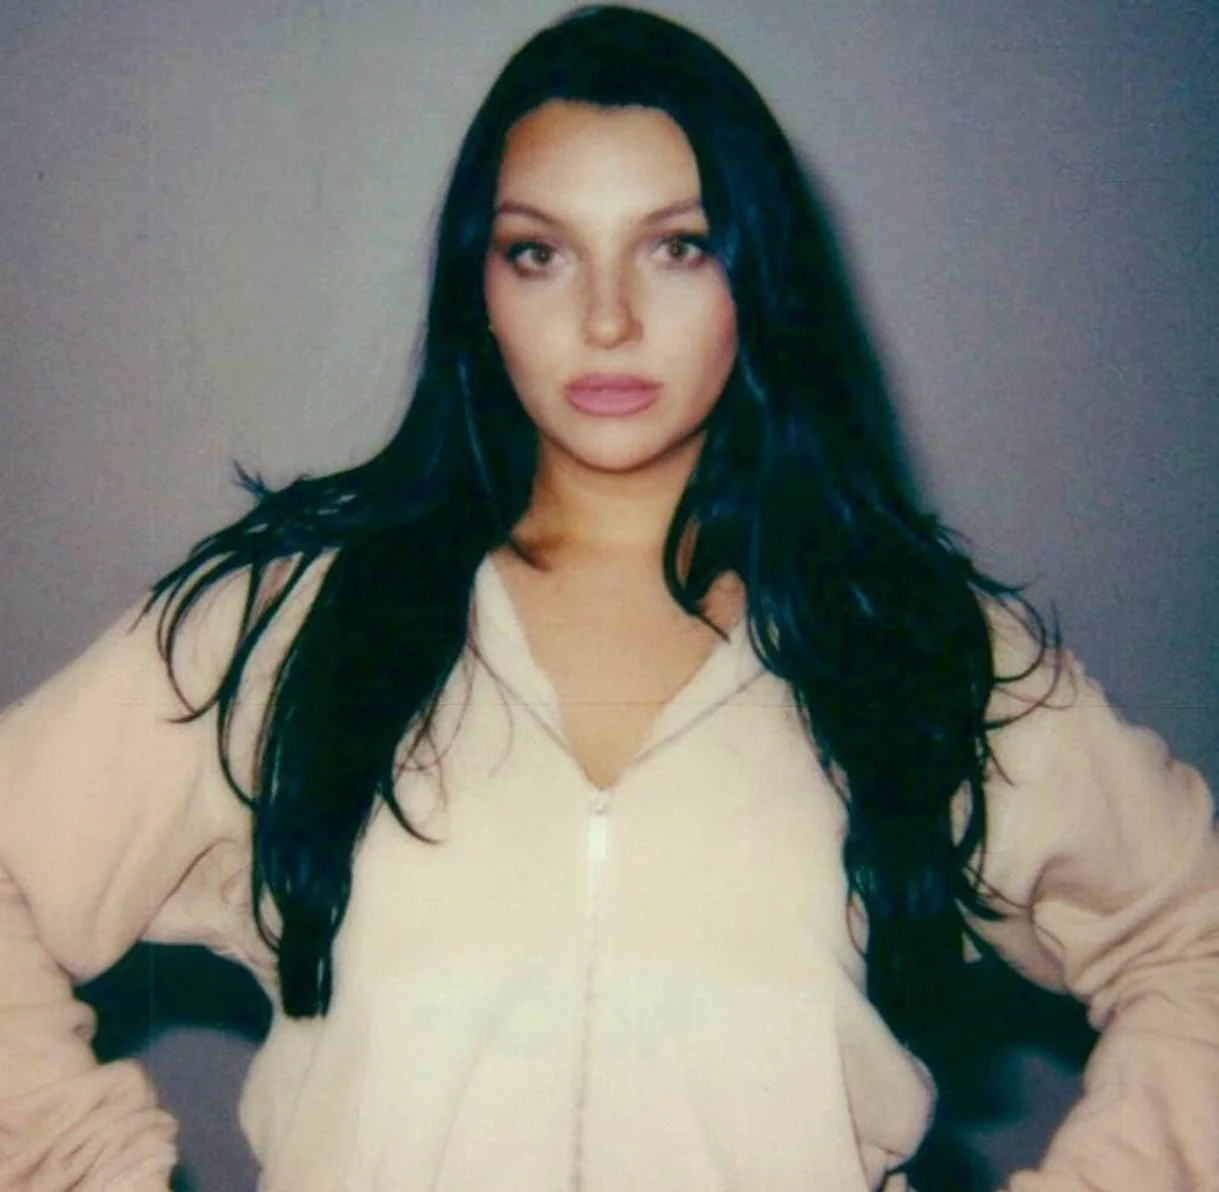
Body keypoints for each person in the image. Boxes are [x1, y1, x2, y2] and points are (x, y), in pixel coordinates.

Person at [1, 5, 1216, 1190]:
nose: (606, 318)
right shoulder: (288, 622)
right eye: (539, 251)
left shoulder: (915, 647)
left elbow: (1194, 944)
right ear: (479, 286)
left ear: (758, 270)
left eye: (677, 246)